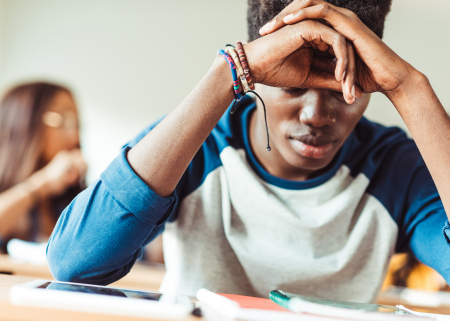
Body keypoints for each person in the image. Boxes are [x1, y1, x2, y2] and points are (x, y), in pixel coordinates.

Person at [47, 0, 450, 303]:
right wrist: (228, 71)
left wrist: (410, 89)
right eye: (293, 85)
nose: (316, 115)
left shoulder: (397, 166)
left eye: (346, 89)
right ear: (261, 71)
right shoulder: (198, 142)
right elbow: (75, 266)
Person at [0, 82, 86, 250]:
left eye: (76, 123)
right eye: (62, 120)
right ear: (24, 122)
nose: (74, 136)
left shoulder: (69, 198)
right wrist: (43, 182)